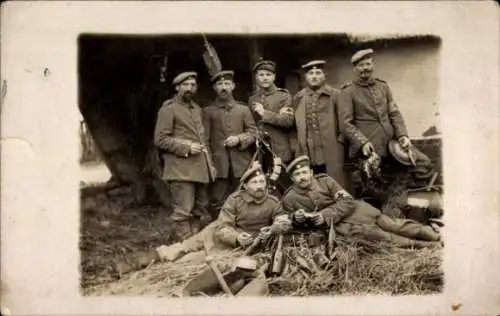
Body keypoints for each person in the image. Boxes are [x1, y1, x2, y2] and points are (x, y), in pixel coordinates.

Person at [124, 165, 292, 269]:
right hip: (222, 234)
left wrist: (275, 227)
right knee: (183, 247)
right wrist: (237, 237)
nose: (259, 186)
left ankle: (164, 262)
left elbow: (282, 220)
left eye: (262, 182)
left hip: (239, 246)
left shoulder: (273, 201)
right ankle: (144, 259)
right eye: (254, 183)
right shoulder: (234, 200)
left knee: (191, 261)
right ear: (246, 186)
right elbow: (222, 227)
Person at [338, 48, 434, 206]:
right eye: (361, 65)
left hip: (392, 145)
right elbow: (345, 124)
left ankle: (406, 202)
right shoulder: (348, 92)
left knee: (423, 164)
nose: (365, 68)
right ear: (355, 69)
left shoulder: (383, 87)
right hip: (369, 149)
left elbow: (394, 113)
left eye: (368, 64)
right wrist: (362, 142)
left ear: (373, 65)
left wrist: (402, 136)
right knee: (374, 187)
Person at [281, 155, 442, 248]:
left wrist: (324, 214)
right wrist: (297, 219)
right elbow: (293, 227)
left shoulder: (325, 181)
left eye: (304, 172)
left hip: (360, 212)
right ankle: (426, 246)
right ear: (292, 178)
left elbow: (348, 201)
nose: (302, 177)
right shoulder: (290, 198)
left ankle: (433, 235)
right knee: (385, 238)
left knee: (395, 225)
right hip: (343, 228)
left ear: (310, 172)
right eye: (298, 175)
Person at [154, 71, 216, 241]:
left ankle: (192, 243)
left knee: (200, 209)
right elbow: (160, 139)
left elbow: (203, 139)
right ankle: (182, 250)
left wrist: (210, 166)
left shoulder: (196, 109)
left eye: (193, 85)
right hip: (180, 169)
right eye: (185, 85)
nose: (189, 88)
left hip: (200, 168)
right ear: (177, 87)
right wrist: (186, 147)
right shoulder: (169, 108)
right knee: (182, 211)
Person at [203, 70, 257, 216]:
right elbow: (205, 140)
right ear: (215, 88)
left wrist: (239, 139)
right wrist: (210, 164)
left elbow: (253, 132)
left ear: (233, 86)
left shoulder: (243, 109)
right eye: (219, 84)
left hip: (242, 163)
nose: (223, 87)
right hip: (219, 164)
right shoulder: (208, 111)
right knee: (217, 200)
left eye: (227, 83)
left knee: (245, 197)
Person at [292, 60, 351, 192]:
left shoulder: (335, 95)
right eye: (310, 73)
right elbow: (293, 124)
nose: (314, 76)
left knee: (336, 182)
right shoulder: (298, 98)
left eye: (318, 73)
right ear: (306, 77)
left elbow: (344, 121)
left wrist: (340, 141)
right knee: (312, 183)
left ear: (324, 75)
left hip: (332, 147)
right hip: (308, 149)